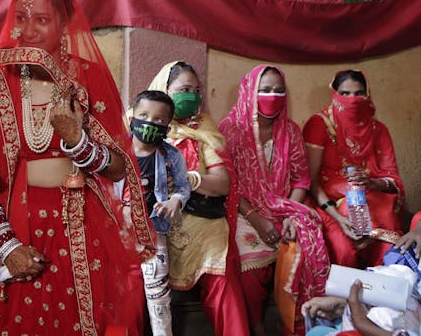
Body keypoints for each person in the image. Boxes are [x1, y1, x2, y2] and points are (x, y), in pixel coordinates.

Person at [0, 0, 155, 336]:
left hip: (77, 225)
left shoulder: (85, 78)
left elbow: (119, 168)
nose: (28, 30)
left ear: (63, 23)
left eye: (41, 19)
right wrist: (4, 242)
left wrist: (79, 143)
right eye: (22, 18)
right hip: (14, 225)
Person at [219, 65, 330, 335]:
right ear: (249, 92)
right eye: (265, 90)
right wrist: (257, 220)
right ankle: (255, 323)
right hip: (244, 210)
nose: (273, 95)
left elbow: (301, 180)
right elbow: (228, 186)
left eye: (279, 90)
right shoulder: (230, 129)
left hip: (285, 206)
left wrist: (291, 215)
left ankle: (294, 325)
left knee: (304, 252)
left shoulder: (290, 130)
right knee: (250, 271)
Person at [147, 61, 249, 335]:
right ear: (164, 89)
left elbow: (223, 184)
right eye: (183, 89)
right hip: (152, 220)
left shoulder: (203, 125)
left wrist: (189, 179)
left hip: (200, 219)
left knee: (221, 274)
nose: (190, 95)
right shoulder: (141, 119)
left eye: (195, 89)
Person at [303, 70, 405, 268]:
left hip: (373, 201)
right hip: (328, 204)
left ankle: (379, 294)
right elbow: (311, 182)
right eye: (345, 93)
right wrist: (339, 218)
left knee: (388, 254)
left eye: (359, 93)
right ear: (334, 94)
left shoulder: (378, 129)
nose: (353, 100)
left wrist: (371, 182)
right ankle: (343, 297)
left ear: (367, 95)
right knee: (343, 252)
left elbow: (393, 180)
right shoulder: (320, 125)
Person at [130, 90, 190, 335]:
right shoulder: (116, 150)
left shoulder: (171, 155)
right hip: (119, 232)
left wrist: (176, 200)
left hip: (154, 232)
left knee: (159, 299)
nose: (149, 123)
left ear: (167, 126)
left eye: (158, 120)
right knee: (122, 294)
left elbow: (184, 186)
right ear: (133, 117)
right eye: (143, 115)